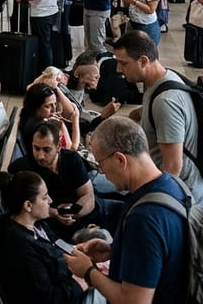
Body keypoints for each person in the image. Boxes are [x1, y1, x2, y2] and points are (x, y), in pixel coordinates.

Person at [62, 116, 188, 303]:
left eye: (101, 164)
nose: (102, 172)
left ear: (120, 159)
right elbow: (159, 252)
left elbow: (134, 301)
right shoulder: (173, 185)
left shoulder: (144, 219)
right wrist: (115, 250)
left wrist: (88, 271)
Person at [113, 30, 203, 207]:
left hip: (183, 199)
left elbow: (173, 166)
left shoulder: (166, 101)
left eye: (123, 63)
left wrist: (153, 205)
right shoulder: (161, 80)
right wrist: (135, 115)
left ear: (143, 61)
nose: (118, 69)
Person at [0, 170, 86, 304]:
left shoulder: (36, 223)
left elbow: (54, 243)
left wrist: (73, 249)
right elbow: (48, 298)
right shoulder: (20, 248)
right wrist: (80, 283)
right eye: (45, 197)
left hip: (69, 276)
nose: (50, 201)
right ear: (28, 205)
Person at [9, 120, 99, 241]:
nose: (40, 156)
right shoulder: (23, 168)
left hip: (83, 216)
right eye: (36, 148)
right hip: (54, 228)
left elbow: (88, 195)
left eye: (46, 150)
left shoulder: (72, 160)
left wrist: (71, 213)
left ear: (58, 146)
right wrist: (54, 213)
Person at [18, 82, 80, 152]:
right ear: (36, 108)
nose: (54, 109)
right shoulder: (42, 129)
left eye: (55, 104)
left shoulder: (29, 119)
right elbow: (72, 150)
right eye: (48, 106)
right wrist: (75, 119)